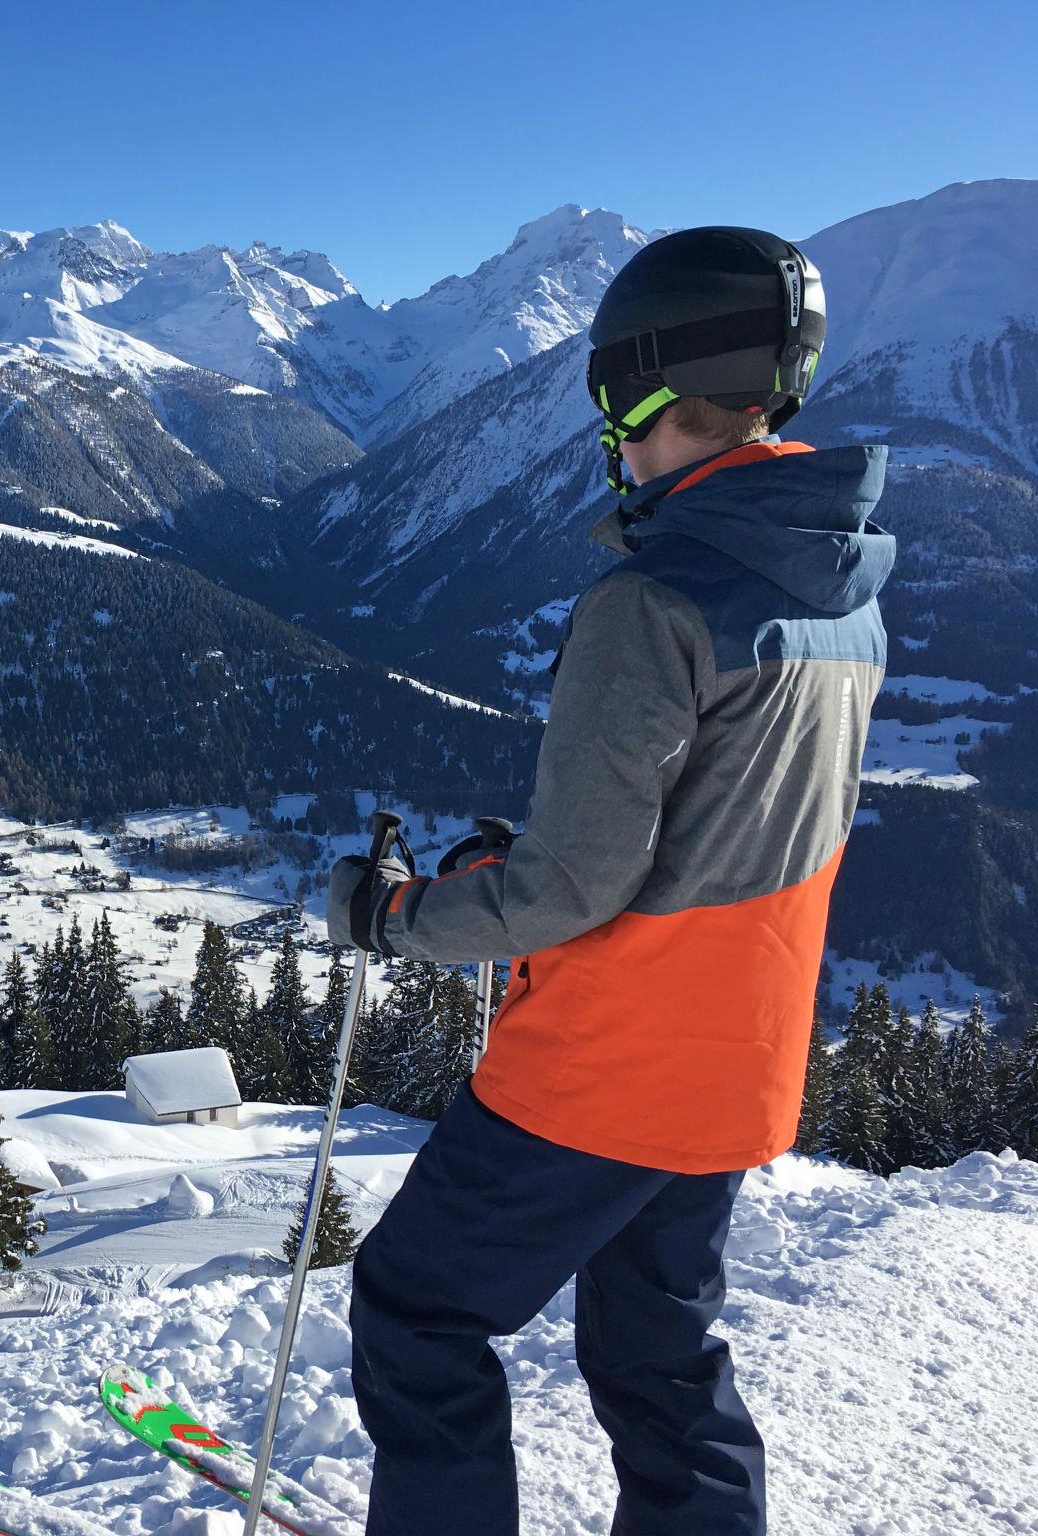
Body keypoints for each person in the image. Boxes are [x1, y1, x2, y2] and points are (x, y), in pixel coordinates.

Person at [327, 227, 892, 1535]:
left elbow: (576, 892)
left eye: (614, 412)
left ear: (641, 389)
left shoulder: (653, 603)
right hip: (734, 1070)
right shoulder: (838, 592)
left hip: (598, 1072)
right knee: (659, 1358)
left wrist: (399, 913)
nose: (612, 444)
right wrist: (513, 865)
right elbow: (706, 837)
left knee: (416, 1316)